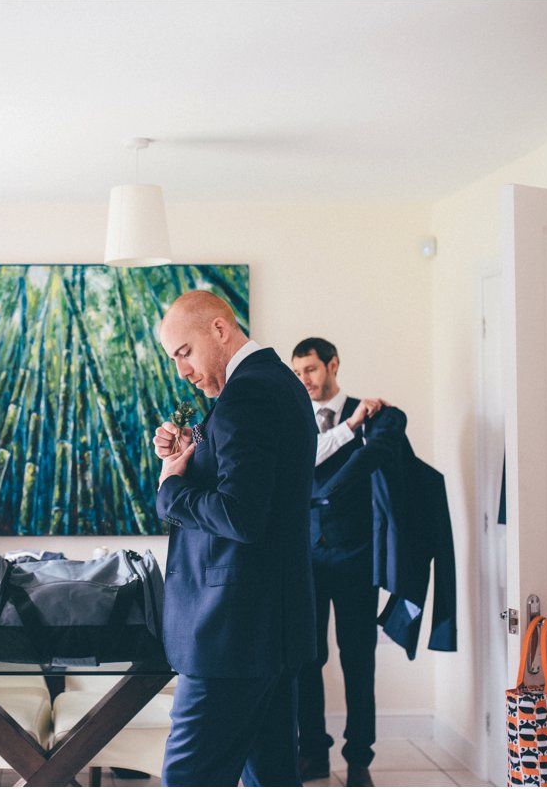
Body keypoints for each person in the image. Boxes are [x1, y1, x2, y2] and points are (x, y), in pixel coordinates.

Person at [152, 291, 317, 787]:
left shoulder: (247, 394)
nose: (181, 370)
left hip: (232, 636)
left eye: (184, 352)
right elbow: (251, 490)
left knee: (187, 780)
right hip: (267, 631)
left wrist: (171, 490)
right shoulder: (271, 385)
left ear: (220, 330)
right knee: (272, 780)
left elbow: (241, 515)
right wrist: (191, 452)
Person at [290, 337, 406, 788]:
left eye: (311, 370)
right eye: (298, 372)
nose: (305, 381)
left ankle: (360, 759)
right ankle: (313, 754)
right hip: (306, 560)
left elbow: (380, 459)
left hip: (357, 557)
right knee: (306, 659)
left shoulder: (372, 412)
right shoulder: (296, 418)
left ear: (333, 364)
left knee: (359, 659)